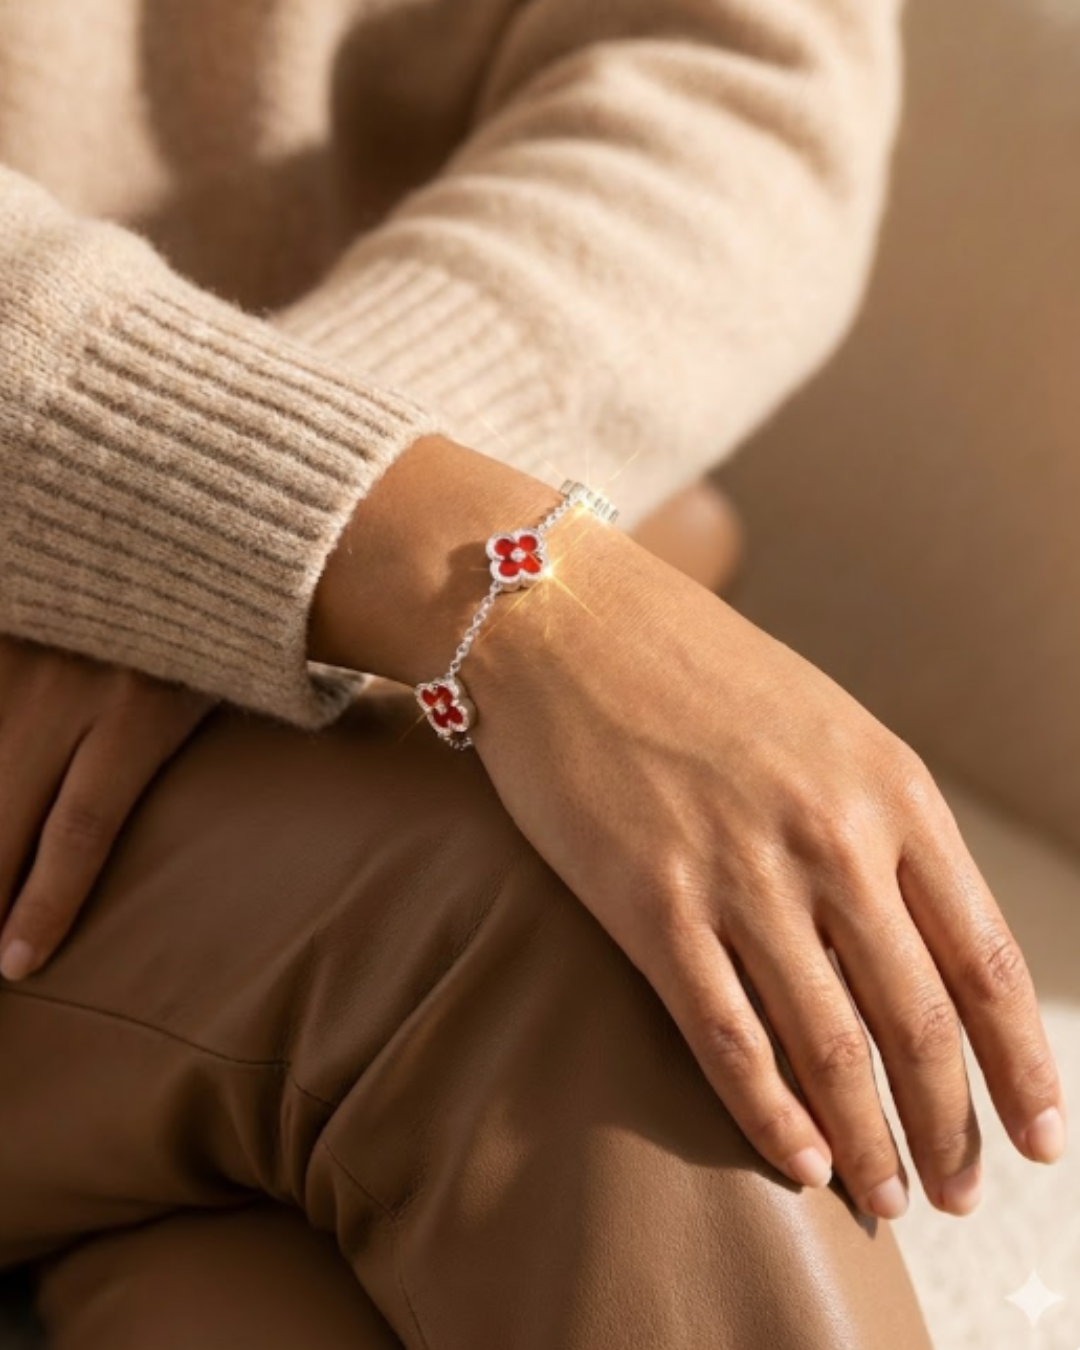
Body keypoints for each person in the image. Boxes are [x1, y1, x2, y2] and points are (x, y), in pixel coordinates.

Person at [0, 0, 1066, 1345]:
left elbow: (736, 80)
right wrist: (457, 575)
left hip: (274, 716)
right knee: (569, 940)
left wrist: (205, 523)